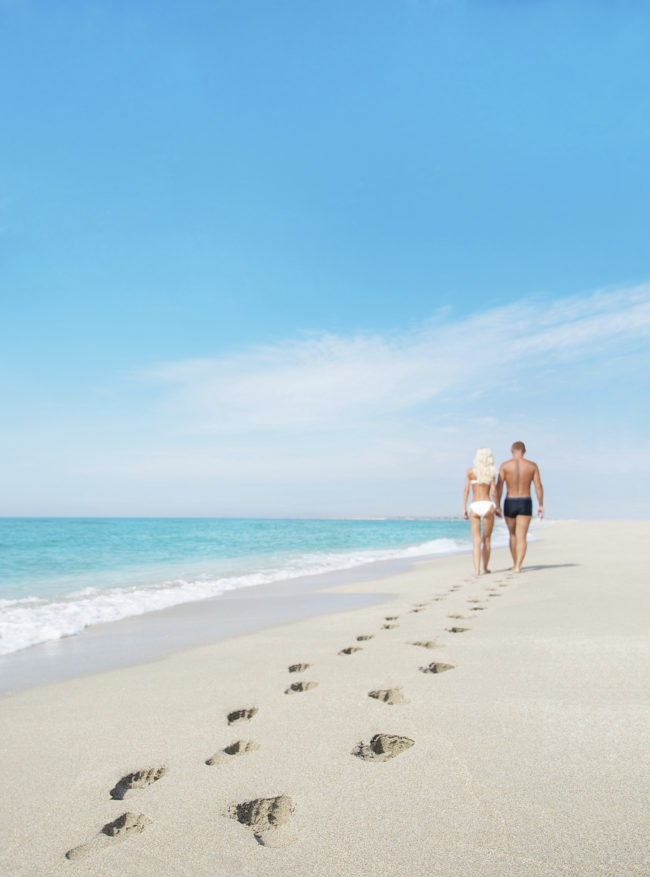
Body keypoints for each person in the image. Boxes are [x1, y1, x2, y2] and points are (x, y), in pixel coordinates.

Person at [496, 441, 544, 572]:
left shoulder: (505, 466)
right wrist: (541, 504)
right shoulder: (532, 466)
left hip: (510, 501)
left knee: (512, 535)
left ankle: (514, 563)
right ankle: (518, 565)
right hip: (525, 501)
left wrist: (497, 505)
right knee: (522, 536)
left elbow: (499, 486)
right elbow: (538, 486)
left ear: (512, 451)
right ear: (524, 451)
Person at [463, 447, 502, 575]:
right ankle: (484, 568)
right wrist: (498, 507)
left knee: (476, 540)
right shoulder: (491, 472)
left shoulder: (470, 472)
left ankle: (476, 570)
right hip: (487, 503)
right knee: (487, 539)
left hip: (474, 504)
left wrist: (464, 508)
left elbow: (466, 491)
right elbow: (494, 492)